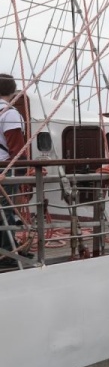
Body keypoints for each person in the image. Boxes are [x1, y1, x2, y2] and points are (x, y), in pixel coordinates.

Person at [0, 74, 27, 263]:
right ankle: (8, 253)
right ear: (12, 91)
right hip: (4, 169)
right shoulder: (9, 113)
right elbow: (16, 147)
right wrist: (24, 172)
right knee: (5, 210)